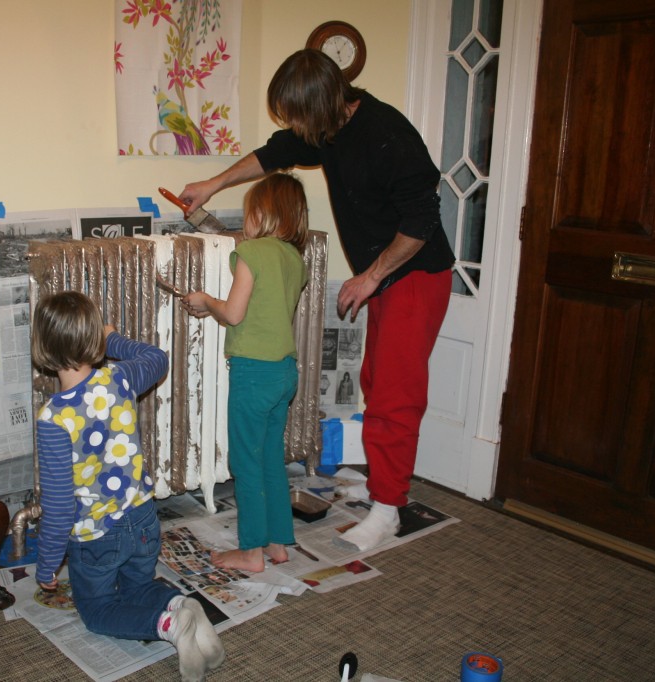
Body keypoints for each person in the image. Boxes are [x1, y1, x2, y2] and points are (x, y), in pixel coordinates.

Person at [178, 49, 455, 553]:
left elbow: (422, 220)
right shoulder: (328, 129)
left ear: (325, 103)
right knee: (374, 380)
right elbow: (275, 152)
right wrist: (213, 184)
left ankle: (389, 510)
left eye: (298, 116)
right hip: (387, 276)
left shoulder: (386, 134)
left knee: (396, 391)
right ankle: (380, 488)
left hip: (416, 273)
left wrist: (370, 277)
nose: (295, 127)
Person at [31, 292, 224, 682]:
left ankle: (169, 627)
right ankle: (182, 606)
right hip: (143, 520)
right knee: (139, 586)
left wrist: (47, 564)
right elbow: (157, 358)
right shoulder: (118, 378)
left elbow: (58, 506)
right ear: (94, 342)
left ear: (43, 347)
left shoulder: (53, 418)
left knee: (98, 611)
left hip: (97, 537)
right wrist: (114, 338)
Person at [181, 172, 309, 572]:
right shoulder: (294, 259)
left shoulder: (252, 254)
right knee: (271, 458)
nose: (245, 220)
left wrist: (205, 301)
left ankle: (251, 552)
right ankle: (277, 542)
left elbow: (234, 313)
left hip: (253, 372)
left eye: (248, 212)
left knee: (246, 463)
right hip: (285, 372)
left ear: (262, 214)